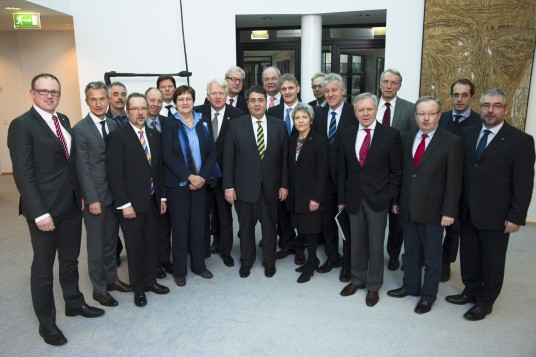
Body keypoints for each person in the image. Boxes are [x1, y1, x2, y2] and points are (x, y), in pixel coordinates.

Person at [8, 73, 104, 346]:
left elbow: (71, 164)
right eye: (44, 91)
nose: (50, 96)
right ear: (32, 93)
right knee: (43, 267)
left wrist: (82, 195)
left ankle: (73, 302)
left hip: (72, 205)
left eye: (54, 92)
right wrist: (39, 212)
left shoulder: (62, 120)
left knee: (70, 260)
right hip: (44, 211)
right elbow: (23, 174)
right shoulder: (22, 125)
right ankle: (46, 323)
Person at [446, 88, 535, 321]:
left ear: (505, 109)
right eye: (486, 105)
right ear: (480, 107)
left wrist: (516, 216)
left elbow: (524, 183)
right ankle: (471, 290)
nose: (491, 110)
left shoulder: (521, 141)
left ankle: (485, 301)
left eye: (496, 106)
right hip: (467, 210)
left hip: (497, 213)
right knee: (469, 255)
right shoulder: (468, 133)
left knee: (492, 260)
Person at [387, 96, 462, 314]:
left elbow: (453, 181)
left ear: (439, 115)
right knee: (410, 251)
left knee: (432, 256)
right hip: (407, 205)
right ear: (415, 116)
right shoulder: (406, 137)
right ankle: (410, 286)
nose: (426, 118)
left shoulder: (451, 141)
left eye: (431, 113)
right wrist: (396, 201)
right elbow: (401, 173)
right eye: (421, 113)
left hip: (434, 209)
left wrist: (449, 211)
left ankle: (428, 296)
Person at [337, 93, 402, 307]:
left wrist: (389, 196)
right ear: (355, 112)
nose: (365, 113)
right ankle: (357, 279)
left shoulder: (390, 135)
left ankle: (373, 286)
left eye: (369, 109)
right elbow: (342, 169)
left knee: (375, 244)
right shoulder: (345, 134)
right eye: (360, 110)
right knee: (356, 242)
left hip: (378, 199)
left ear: (376, 110)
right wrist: (341, 198)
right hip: (353, 198)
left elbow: (396, 171)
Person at [107, 93, 170, 307]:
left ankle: (151, 281)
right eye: (135, 109)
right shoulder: (118, 136)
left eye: (143, 108)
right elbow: (115, 174)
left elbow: (158, 170)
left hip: (152, 201)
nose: (141, 112)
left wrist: (161, 196)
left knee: (152, 243)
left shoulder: (154, 135)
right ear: (127, 113)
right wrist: (125, 204)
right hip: (131, 205)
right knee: (135, 248)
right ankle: (139, 287)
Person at [73, 81, 132, 308]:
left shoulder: (113, 124)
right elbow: (82, 168)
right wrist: (92, 199)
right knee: (96, 246)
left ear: (107, 101)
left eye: (102, 98)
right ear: (86, 101)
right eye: (93, 99)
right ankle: (99, 289)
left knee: (110, 242)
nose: (98, 103)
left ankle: (112, 279)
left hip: (114, 195)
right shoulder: (80, 129)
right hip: (95, 198)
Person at [223, 85, 289, 278]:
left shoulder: (279, 125)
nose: (257, 104)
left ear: (266, 102)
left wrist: (284, 184)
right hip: (244, 188)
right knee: (245, 229)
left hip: (271, 187)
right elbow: (228, 159)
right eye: (253, 100)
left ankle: (270, 261)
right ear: (248, 103)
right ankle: (246, 261)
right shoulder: (236, 125)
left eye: (260, 100)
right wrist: (228, 186)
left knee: (270, 228)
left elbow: (285, 160)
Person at [161, 85, 216, 287]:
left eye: (188, 98)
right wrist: (189, 176)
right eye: (181, 99)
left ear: (194, 101)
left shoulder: (203, 121)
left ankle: (199, 266)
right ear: (175, 103)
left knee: (198, 226)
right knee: (180, 228)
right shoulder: (168, 124)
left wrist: (201, 177)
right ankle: (180, 270)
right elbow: (168, 155)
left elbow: (211, 152)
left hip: (200, 183)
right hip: (178, 184)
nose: (185, 102)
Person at [312, 73, 357, 282]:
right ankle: (332, 257)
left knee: (346, 223)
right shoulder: (318, 114)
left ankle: (348, 263)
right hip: (324, 178)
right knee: (327, 221)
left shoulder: (354, 113)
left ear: (343, 91)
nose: (330, 94)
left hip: (348, 178)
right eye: (327, 90)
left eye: (334, 90)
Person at [194, 79, 244, 266]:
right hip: (202, 176)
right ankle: (204, 250)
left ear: (227, 95)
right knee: (202, 216)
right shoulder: (197, 113)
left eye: (220, 93)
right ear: (207, 96)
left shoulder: (237, 115)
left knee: (225, 217)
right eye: (213, 93)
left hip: (225, 175)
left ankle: (226, 251)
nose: (217, 96)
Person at [437, 78, 481, 282]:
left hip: (463, 183)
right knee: (433, 224)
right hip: (438, 180)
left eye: (464, 95)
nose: (460, 99)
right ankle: (432, 258)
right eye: (456, 94)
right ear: (451, 96)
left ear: (471, 97)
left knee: (454, 228)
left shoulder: (480, 122)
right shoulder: (441, 118)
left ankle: (446, 261)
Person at [376, 69, 418, 272]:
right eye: (385, 81)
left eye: (394, 82)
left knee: (395, 218)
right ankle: (370, 252)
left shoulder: (409, 109)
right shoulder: (367, 104)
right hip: (372, 172)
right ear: (380, 83)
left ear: (399, 86)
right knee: (373, 216)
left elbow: (411, 142)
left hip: (396, 171)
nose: (389, 85)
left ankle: (393, 254)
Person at [287, 103, 328, 283]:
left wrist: (316, 198)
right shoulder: (292, 139)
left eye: (304, 117)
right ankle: (312, 260)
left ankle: (311, 265)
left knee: (311, 232)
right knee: (302, 228)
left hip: (311, 196)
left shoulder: (319, 141)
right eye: (297, 118)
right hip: (296, 195)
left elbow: (322, 172)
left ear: (311, 120)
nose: (301, 120)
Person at [268, 73, 303, 264]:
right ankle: (288, 243)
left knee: (303, 209)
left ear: (298, 88)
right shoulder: (272, 112)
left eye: (291, 88)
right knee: (282, 208)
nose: (287, 92)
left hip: (303, 169)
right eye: (283, 89)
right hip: (280, 168)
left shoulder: (311, 110)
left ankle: (301, 246)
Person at [145, 87, 173, 279]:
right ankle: (152, 262)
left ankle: (164, 259)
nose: (155, 104)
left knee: (165, 225)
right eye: (151, 100)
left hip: (166, 181)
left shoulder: (166, 123)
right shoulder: (137, 125)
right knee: (150, 227)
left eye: (159, 101)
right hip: (146, 185)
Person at [105, 81, 128, 265]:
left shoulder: (132, 118)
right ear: (108, 98)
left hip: (130, 178)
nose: (120, 97)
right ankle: (115, 253)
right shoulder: (103, 120)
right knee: (111, 224)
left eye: (122, 94)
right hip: (108, 179)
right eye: (115, 94)